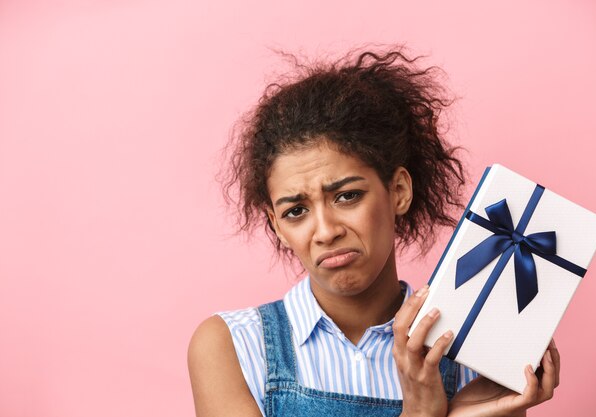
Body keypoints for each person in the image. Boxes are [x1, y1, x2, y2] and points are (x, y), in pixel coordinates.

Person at [187, 48, 560, 417]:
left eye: (347, 196)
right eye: (296, 211)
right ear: (277, 226)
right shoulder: (232, 346)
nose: (326, 231)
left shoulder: (473, 354)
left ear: (398, 191)